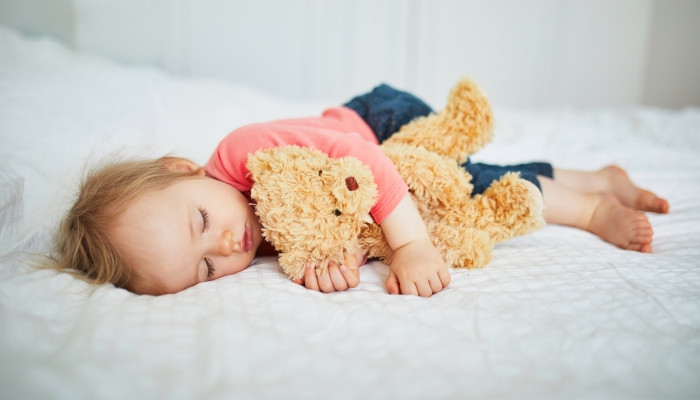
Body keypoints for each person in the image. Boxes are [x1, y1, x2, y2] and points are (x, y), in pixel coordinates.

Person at [53, 84, 669, 297]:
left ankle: (589, 210)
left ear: (183, 168)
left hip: (380, 124)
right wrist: (337, 260)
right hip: (373, 157)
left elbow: (359, 159)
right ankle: (598, 179)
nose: (225, 245)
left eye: (200, 223)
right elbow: (334, 229)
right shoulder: (249, 240)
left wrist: (410, 247)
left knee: (469, 188)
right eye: (206, 268)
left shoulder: (240, 154)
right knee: (480, 168)